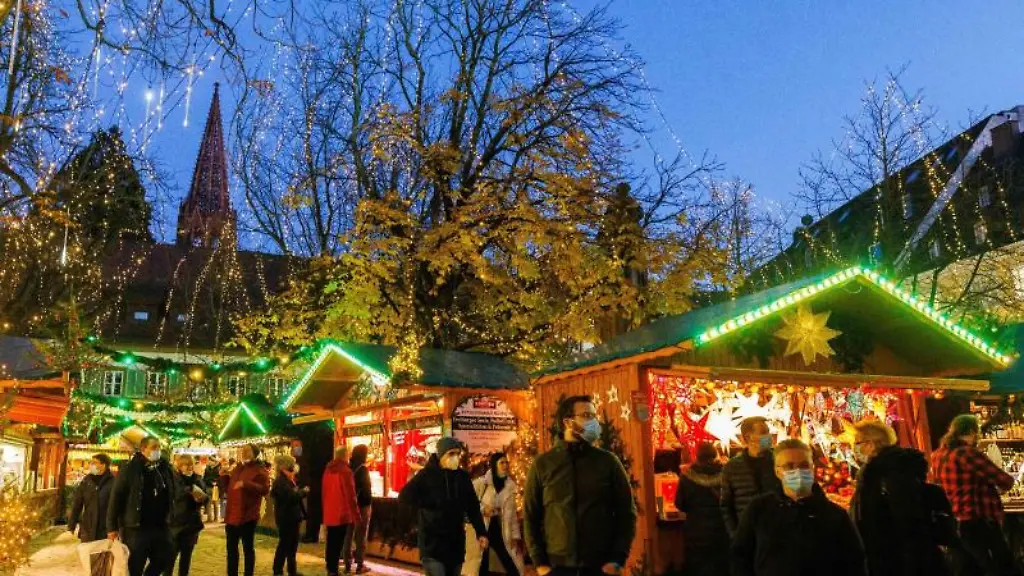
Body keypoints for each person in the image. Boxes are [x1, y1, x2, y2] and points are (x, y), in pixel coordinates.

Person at [524, 395, 637, 576]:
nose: (593, 422)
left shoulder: (608, 462)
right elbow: (530, 515)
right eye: (586, 415)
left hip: (600, 567)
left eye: (594, 416)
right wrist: (540, 563)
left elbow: (627, 512)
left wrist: (618, 559)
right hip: (557, 567)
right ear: (568, 422)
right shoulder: (543, 465)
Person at [731, 438, 866, 576]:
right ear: (777, 472)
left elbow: (854, 563)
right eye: (789, 466)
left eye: (804, 465)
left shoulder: (834, 515)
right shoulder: (759, 509)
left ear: (812, 468)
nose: (798, 471)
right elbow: (740, 556)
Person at [849, 420, 949, 576]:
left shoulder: (887, 473)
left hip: (893, 558)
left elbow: (905, 518)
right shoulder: (886, 470)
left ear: (871, 444)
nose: (854, 448)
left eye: (857, 442)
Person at [930, 414, 1017, 576]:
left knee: (968, 566)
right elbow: (1004, 480)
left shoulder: (937, 455)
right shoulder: (967, 454)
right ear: (972, 431)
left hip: (954, 519)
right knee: (999, 564)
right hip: (978, 518)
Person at [399, 437, 489, 576]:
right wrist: (427, 505)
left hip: (455, 544)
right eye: (451, 454)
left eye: (457, 454)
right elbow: (405, 496)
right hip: (432, 544)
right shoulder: (426, 476)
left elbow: (473, 506)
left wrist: (481, 532)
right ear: (441, 455)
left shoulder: (462, 478)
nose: (455, 458)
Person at [107, 436, 175, 576]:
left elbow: (172, 489)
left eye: (159, 447)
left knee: (165, 557)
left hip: (160, 525)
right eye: (154, 447)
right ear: (143, 449)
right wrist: (111, 527)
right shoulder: (130, 468)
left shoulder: (164, 467)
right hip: (137, 526)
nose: (158, 450)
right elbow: (116, 497)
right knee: (135, 565)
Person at [720, 416, 780, 538]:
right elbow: (726, 505)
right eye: (763, 433)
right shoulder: (732, 467)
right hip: (746, 534)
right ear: (748, 437)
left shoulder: (779, 461)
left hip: (775, 533)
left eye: (768, 432)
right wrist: (735, 534)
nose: (769, 437)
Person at [674, 443, 728, 576]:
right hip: (721, 529)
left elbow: (679, 503)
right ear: (716, 455)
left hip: (695, 531)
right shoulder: (727, 474)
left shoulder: (687, 476)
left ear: (696, 456)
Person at [471, 452, 525, 576]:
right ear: (495, 465)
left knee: (508, 559)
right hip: (483, 527)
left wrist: (515, 535)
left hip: (499, 528)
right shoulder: (482, 483)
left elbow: (512, 516)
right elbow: (470, 503)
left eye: (506, 462)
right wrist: (483, 508)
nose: (505, 465)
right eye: (501, 462)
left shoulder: (509, 487)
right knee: (482, 561)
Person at [225, 445, 270, 576]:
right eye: (243, 450)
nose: (244, 452)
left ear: (255, 454)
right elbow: (229, 489)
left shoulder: (260, 470)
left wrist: (246, 484)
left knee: (247, 548)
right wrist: (223, 477)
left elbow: (264, 489)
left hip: (247, 516)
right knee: (231, 550)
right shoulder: (237, 468)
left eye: (247, 450)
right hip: (231, 516)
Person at [165, 454, 208, 576]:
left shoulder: (197, 479)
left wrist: (202, 498)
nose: (189, 467)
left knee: (186, 559)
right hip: (175, 525)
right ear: (179, 466)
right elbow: (174, 495)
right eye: (185, 465)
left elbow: (206, 497)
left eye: (190, 464)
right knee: (170, 559)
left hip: (191, 525)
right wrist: (189, 490)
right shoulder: (173, 479)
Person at [323, 445, 360, 576]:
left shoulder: (328, 470)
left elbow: (324, 492)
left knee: (331, 541)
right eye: (348, 454)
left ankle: (330, 567)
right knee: (338, 542)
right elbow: (351, 495)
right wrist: (356, 515)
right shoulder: (346, 471)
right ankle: (333, 570)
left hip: (330, 512)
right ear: (345, 456)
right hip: (342, 513)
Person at [272, 454, 308, 576]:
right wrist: (303, 492)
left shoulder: (287, 480)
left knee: (292, 546)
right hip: (286, 519)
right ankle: (278, 571)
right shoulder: (281, 482)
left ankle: (291, 570)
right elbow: (291, 498)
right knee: (284, 546)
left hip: (291, 517)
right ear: (284, 467)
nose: (294, 469)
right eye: (291, 467)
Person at [69, 454, 115, 543]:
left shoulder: (113, 482)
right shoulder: (87, 481)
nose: (91, 465)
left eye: (94, 463)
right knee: (87, 554)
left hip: (104, 528)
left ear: (103, 465)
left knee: (102, 555)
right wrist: (72, 525)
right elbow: (77, 503)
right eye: (91, 462)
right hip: (88, 527)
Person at [343, 445, 373, 574]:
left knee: (348, 535)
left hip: (348, 505)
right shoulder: (363, 470)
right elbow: (365, 490)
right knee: (361, 535)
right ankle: (360, 565)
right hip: (361, 506)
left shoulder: (348, 468)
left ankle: (347, 564)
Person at [203, 457, 222, 523]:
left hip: (215, 487)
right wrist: (208, 482)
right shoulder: (207, 468)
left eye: (210, 461)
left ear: (214, 461)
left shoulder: (218, 468)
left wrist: (216, 482)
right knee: (208, 503)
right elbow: (204, 478)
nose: (209, 462)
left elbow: (220, 478)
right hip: (208, 487)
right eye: (209, 461)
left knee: (215, 503)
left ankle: (216, 518)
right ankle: (209, 518)